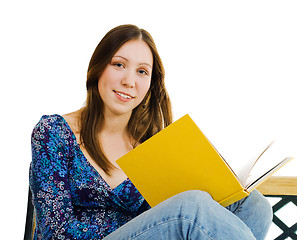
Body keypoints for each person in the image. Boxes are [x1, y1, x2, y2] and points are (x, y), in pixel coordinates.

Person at [29, 24, 273, 240]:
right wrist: (158, 220)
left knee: (254, 204)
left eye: (142, 71)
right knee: (191, 209)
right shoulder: (54, 132)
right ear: (98, 68)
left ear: (150, 83)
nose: (129, 81)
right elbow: (55, 231)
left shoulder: (151, 143)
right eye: (119, 65)